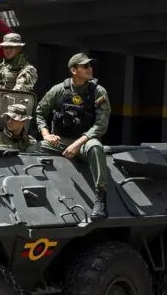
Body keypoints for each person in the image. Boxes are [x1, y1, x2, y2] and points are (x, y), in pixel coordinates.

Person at [35, 52, 111, 220]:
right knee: (33, 146)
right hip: (60, 141)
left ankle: (101, 198)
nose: (89, 69)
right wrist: (46, 134)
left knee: (96, 148)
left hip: (85, 142)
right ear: (73, 70)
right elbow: (40, 112)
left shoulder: (98, 92)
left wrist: (78, 144)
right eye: (85, 66)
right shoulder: (59, 90)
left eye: (90, 66)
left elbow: (101, 125)